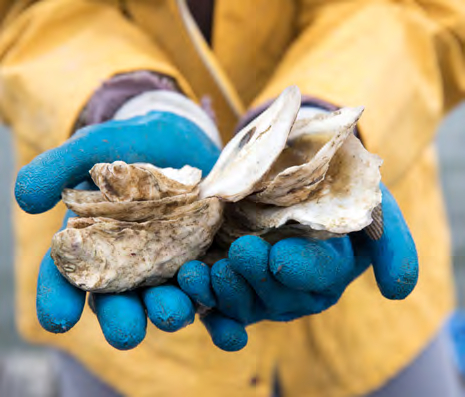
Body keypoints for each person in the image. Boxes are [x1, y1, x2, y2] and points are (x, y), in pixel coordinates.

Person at [1, 1, 464, 396]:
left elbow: (421, 8)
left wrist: (314, 121)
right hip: (141, 365)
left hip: (369, 333)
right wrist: (124, 97)